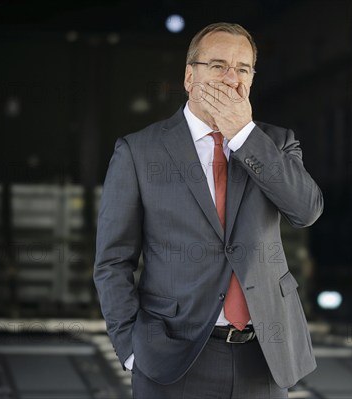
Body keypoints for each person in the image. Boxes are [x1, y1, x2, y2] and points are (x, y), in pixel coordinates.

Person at [93, 22, 323, 398]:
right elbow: (112, 260)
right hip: (172, 356)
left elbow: (306, 210)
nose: (231, 77)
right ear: (189, 76)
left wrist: (244, 135)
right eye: (218, 65)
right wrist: (131, 349)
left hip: (263, 357)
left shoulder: (276, 143)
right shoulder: (139, 151)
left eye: (243, 68)